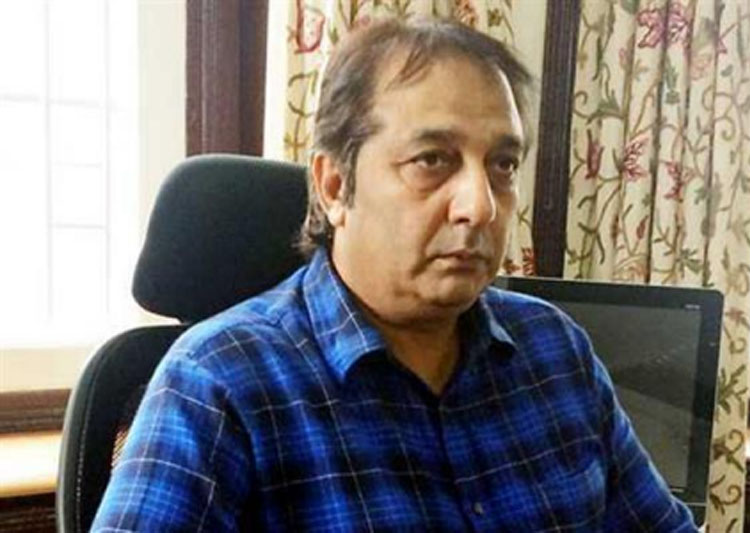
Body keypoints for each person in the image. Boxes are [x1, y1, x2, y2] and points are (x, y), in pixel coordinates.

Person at [92, 16, 697, 532]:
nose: (480, 205)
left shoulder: (556, 352)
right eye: (432, 160)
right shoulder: (218, 383)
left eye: (503, 165)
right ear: (335, 186)